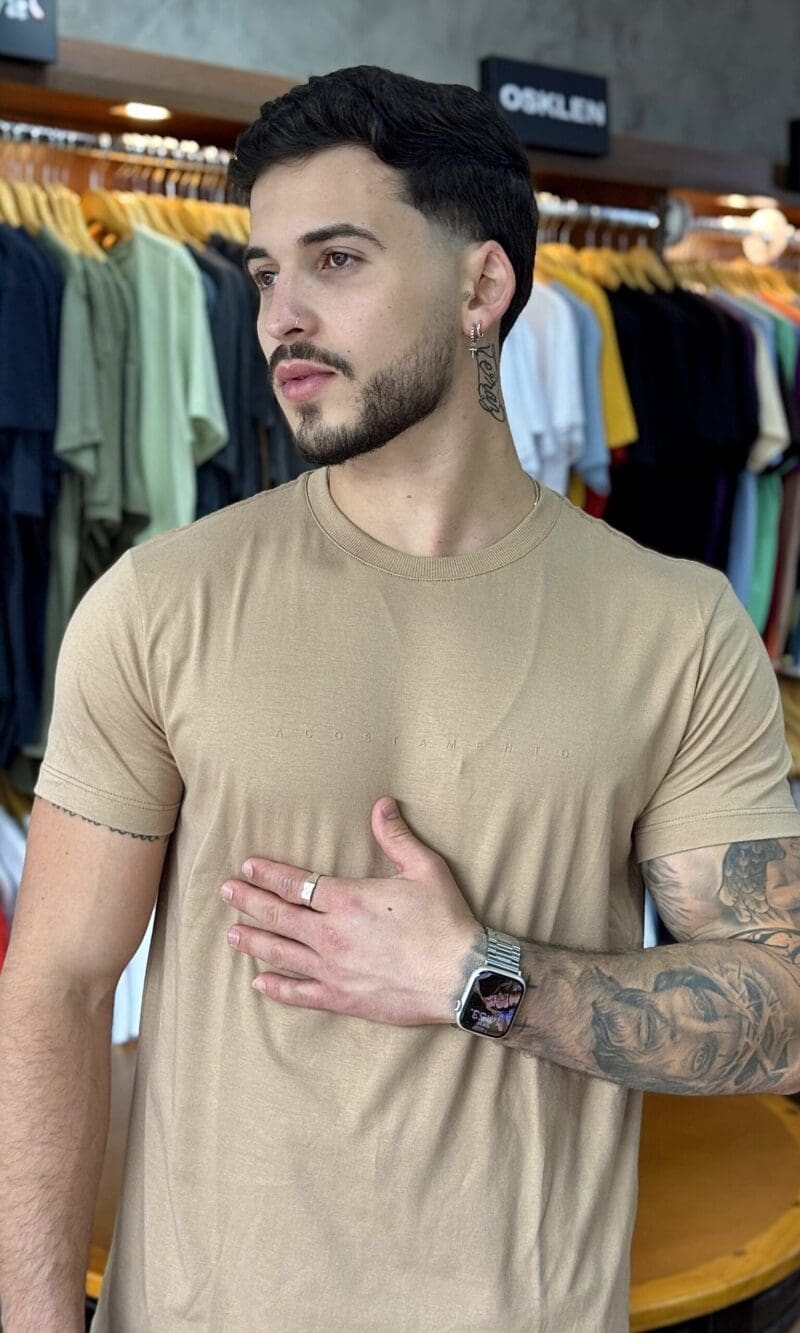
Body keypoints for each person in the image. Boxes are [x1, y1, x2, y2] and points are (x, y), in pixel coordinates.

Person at [2, 63, 800, 1333]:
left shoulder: (676, 629)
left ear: (481, 287)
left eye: (336, 261)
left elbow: (780, 1010)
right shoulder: (159, 604)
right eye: (264, 274)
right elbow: (51, 990)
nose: (279, 319)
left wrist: (480, 978)